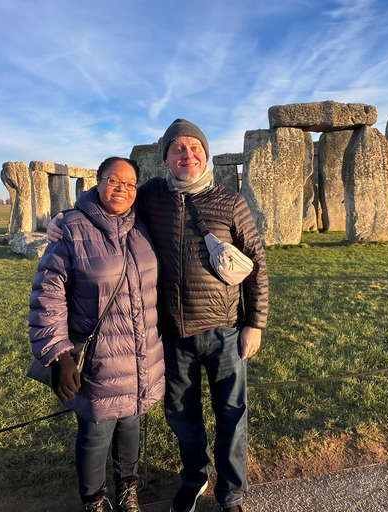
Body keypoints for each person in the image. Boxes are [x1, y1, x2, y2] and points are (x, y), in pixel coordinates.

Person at [49, 119, 269, 512]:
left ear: (206, 153)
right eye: (178, 148)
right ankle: (195, 477)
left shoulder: (229, 201)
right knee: (183, 416)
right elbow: (110, 211)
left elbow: (257, 263)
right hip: (172, 333)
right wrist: (67, 222)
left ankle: (232, 494)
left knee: (232, 416)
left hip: (225, 331)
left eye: (195, 148)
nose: (188, 155)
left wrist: (255, 323)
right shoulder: (150, 195)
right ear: (165, 157)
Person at [30, 157, 164, 512]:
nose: (122, 189)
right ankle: (94, 501)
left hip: (140, 352)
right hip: (100, 356)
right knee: (96, 432)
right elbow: (48, 294)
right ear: (98, 182)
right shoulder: (72, 228)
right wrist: (58, 354)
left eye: (131, 183)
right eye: (113, 180)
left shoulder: (142, 225)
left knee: (131, 425)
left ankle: (128, 492)